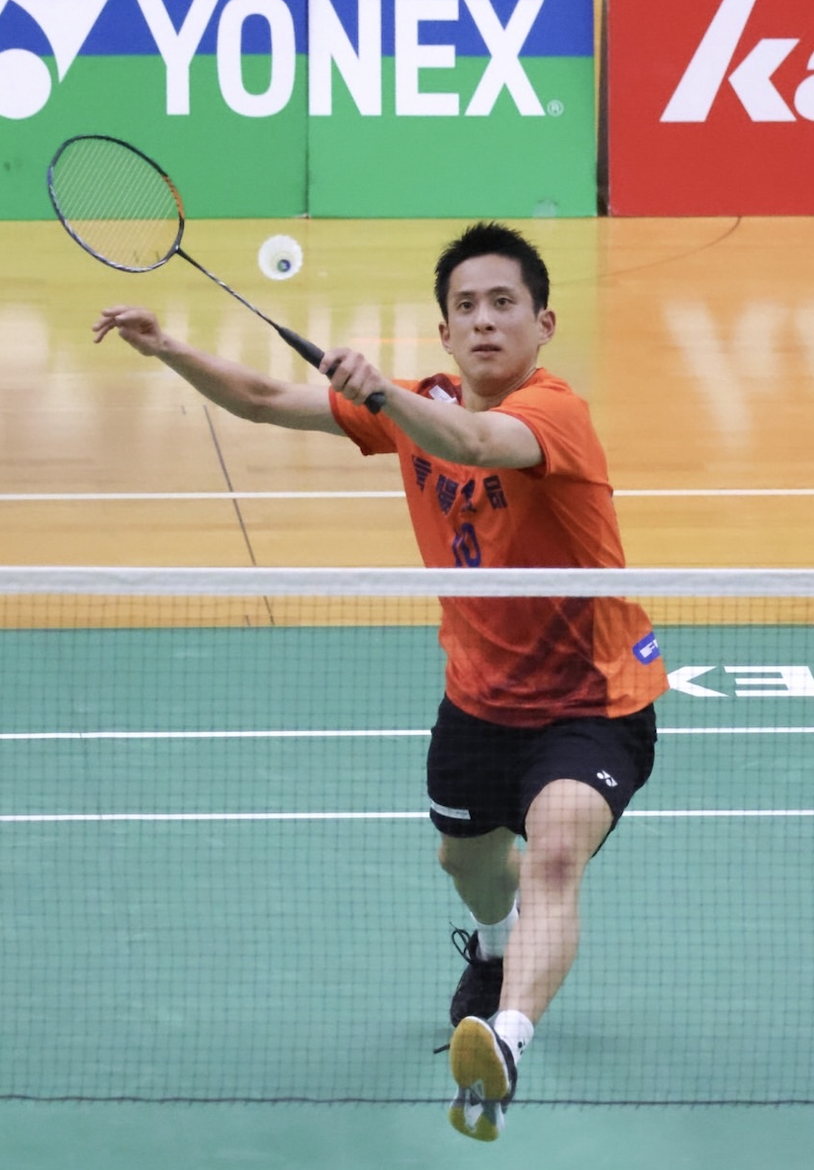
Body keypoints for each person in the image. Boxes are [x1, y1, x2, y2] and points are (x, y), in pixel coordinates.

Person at [93, 221, 668, 1142]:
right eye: (466, 307)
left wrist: (385, 394)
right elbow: (265, 399)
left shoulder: (552, 412)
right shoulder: (417, 404)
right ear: (445, 331)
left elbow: (475, 442)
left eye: (504, 304)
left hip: (592, 701)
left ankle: (506, 1040)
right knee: (468, 864)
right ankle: (494, 951)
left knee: (557, 853)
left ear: (544, 323)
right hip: (479, 700)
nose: (485, 321)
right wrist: (170, 349)